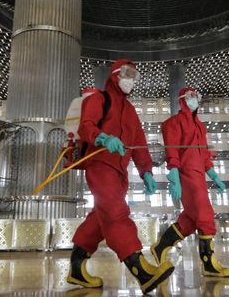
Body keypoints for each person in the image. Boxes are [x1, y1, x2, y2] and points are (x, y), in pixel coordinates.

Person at [67, 59, 174, 294]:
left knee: (100, 218)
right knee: (115, 212)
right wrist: (103, 138)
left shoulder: (131, 111)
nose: (131, 79)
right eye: (127, 73)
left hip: (119, 172)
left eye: (134, 75)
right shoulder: (98, 99)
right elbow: (86, 126)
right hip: (99, 165)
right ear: (115, 74)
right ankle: (141, 269)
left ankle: (76, 269)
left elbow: (139, 144)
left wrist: (146, 171)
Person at [150, 87, 229, 277]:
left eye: (197, 96)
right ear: (182, 100)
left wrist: (215, 176)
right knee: (204, 214)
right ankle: (208, 263)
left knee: (189, 219)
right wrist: (174, 176)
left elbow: (204, 156)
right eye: (191, 96)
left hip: (199, 176)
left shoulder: (200, 126)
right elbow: (172, 151)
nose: (195, 99)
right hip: (185, 175)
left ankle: (160, 247)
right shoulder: (172, 123)